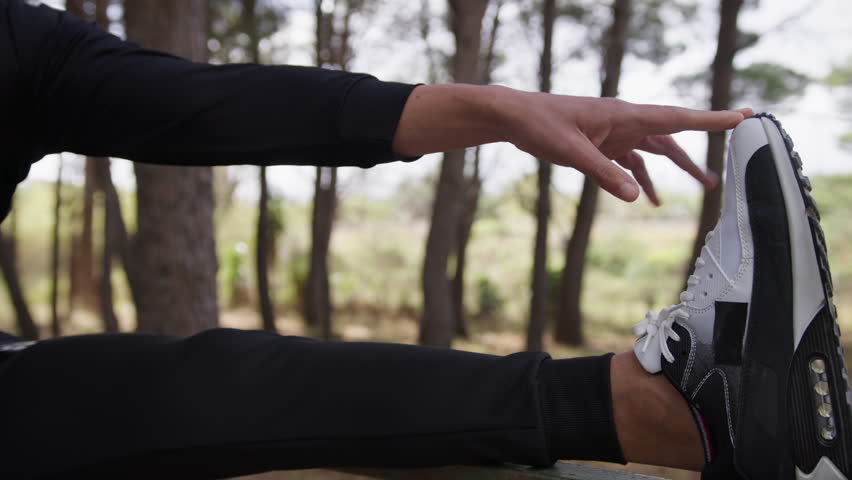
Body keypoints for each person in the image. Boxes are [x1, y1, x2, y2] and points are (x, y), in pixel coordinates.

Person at [0, 1, 849, 479]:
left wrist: (501, 109)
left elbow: (197, 103)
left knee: (191, 378)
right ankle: (680, 419)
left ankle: (694, 418)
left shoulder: (20, 41)